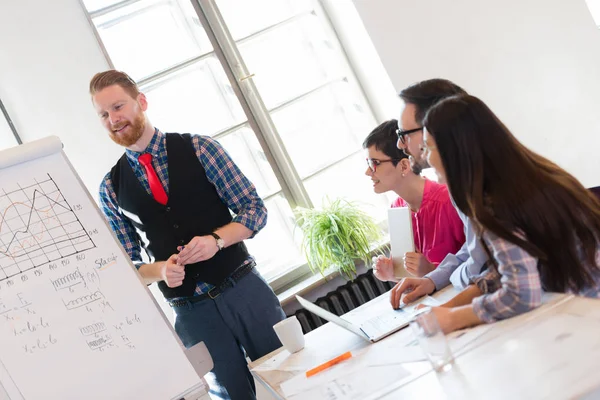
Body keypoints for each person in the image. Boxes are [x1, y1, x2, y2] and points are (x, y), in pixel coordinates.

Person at [89, 70, 285, 400]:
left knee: (289, 376)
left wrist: (217, 240)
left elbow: (254, 210)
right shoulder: (110, 188)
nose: (113, 119)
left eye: (118, 107)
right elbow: (124, 265)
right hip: (191, 314)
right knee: (232, 395)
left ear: (142, 101)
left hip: (245, 290)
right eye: (103, 114)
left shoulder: (200, 149)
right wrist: (160, 270)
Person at [392, 94, 600, 333]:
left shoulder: (493, 204)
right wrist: (448, 308)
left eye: (428, 148)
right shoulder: (532, 175)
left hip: (587, 316)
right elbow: (506, 270)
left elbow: (521, 295)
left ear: (454, 150)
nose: (426, 157)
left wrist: (451, 319)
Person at [385, 79, 488, 301]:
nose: (400, 145)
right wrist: (432, 280)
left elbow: (479, 266)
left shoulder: (481, 185)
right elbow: (472, 250)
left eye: (404, 134)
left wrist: (450, 280)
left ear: (436, 129)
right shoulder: (461, 182)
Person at [363, 119, 465, 278]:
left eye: (375, 163)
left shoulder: (449, 200)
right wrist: (392, 274)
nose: (368, 172)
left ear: (404, 166)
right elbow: (411, 280)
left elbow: (480, 263)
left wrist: (432, 271)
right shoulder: (396, 210)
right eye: (368, 163)